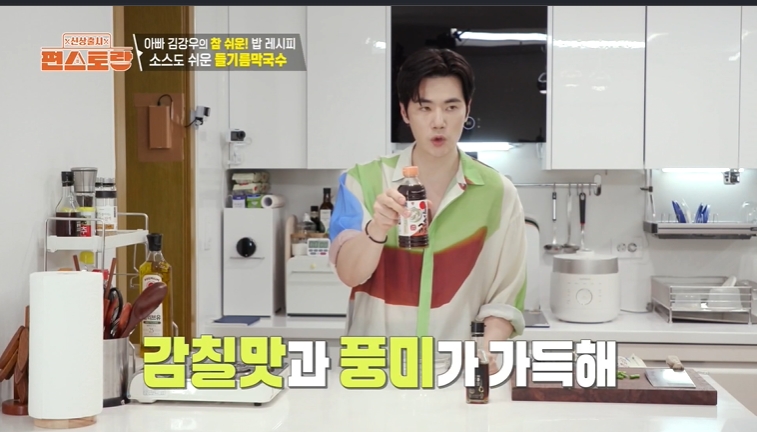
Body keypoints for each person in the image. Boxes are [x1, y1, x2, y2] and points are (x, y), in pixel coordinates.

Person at [327, 47, 527, 374]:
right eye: (425, 108)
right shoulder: (361, 180)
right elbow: (349, 274)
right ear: (405, 112)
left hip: (455, 371)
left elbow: (505, 297)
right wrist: (378, 228)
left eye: (451, 107)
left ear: (467, 109)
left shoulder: (498, 193)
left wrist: (488, 347)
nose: (439, 122)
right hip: (374, 370)